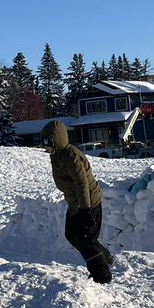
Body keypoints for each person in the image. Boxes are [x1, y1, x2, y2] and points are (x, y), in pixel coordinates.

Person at [41, 120, 113, 284]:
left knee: (86, 239)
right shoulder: (57, 154)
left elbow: (82, 183)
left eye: (48, 144)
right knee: (72, 235)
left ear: (57, 141)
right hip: (75, 203)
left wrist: (86, 210)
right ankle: (105, 258)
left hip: (88, 202)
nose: (45, 148)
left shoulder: (71, 156)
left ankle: (102, 276)